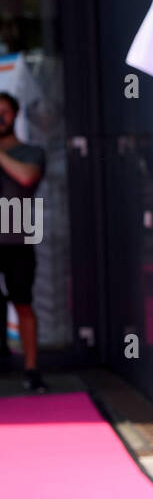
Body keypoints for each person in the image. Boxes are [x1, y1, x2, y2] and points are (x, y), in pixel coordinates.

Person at [0, 90, 47, 391]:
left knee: (23, 303)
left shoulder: (31, 151)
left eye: (3, 111)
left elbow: (27, 178)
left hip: (18, 240)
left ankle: (31, 370)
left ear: (15, 115)